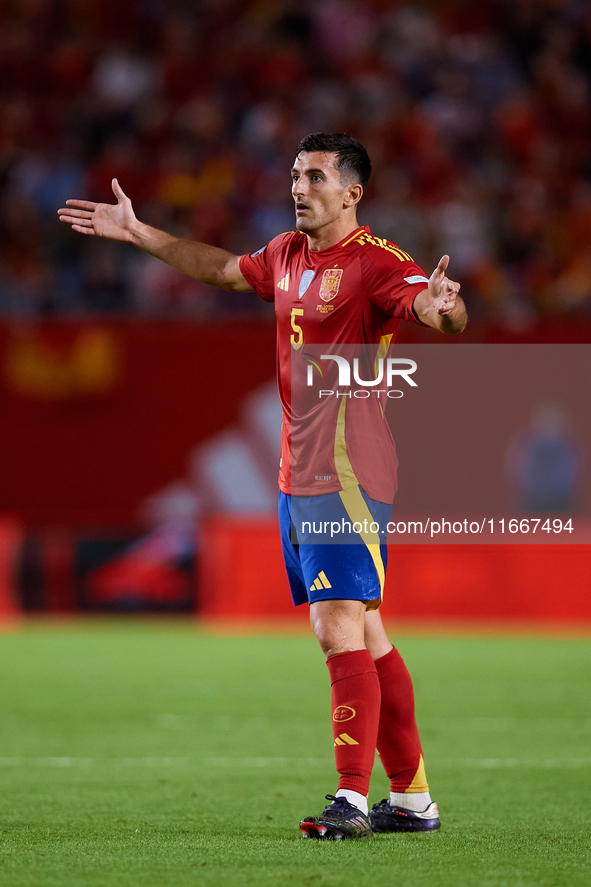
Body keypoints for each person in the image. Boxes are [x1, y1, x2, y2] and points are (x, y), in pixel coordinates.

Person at [58, 132, 467, 840]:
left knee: (336, 623)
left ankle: (349, 797)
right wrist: (138, 233)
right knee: (365, 631)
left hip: (348, 469)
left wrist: (443, 306)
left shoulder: (376, 264)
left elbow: (435, 312)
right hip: (296, 471)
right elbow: (221, 269)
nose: (297, 186)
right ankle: (411, 800)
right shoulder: (283, 253)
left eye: (313, 176)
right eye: (293, 175)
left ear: (351, 192)